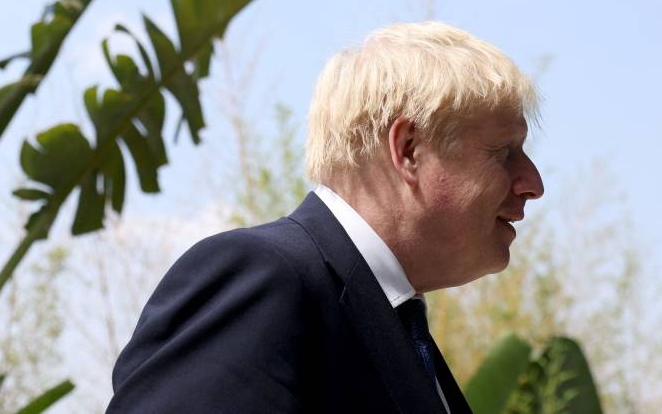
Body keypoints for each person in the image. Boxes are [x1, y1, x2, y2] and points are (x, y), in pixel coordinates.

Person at [107, 22, 544, 413]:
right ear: (409, 149)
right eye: (504, 152)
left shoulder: (397, 328)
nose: (533, 182)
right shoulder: (265, 280)